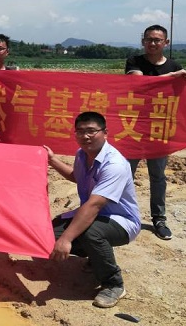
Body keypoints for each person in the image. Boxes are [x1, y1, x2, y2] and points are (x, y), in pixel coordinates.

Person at [45, 112, 141, 308]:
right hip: (95, 216)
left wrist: (67, 239)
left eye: (91, 131)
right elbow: (77, 177)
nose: (85, 136)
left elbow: (94, 205)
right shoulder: (82, 155)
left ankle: (114, 284)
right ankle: (96, 257)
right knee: (51, 233)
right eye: (80, 131)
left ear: (105, 133)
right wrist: (52, 160)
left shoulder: (114, 164)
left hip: (121, 221)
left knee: (90, 233)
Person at [124, 24, 186, 241]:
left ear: (166, 43)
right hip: (133, 127)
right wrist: (172, 76)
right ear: (142, 41)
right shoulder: (134, 62)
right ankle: (121, 215)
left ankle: (159, 219)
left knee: (158, 176)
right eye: (149, 39)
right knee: (125, 173)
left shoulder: (174, 66)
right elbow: (141, 83)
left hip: (160, 128)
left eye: (157, 40)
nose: (152, 43)